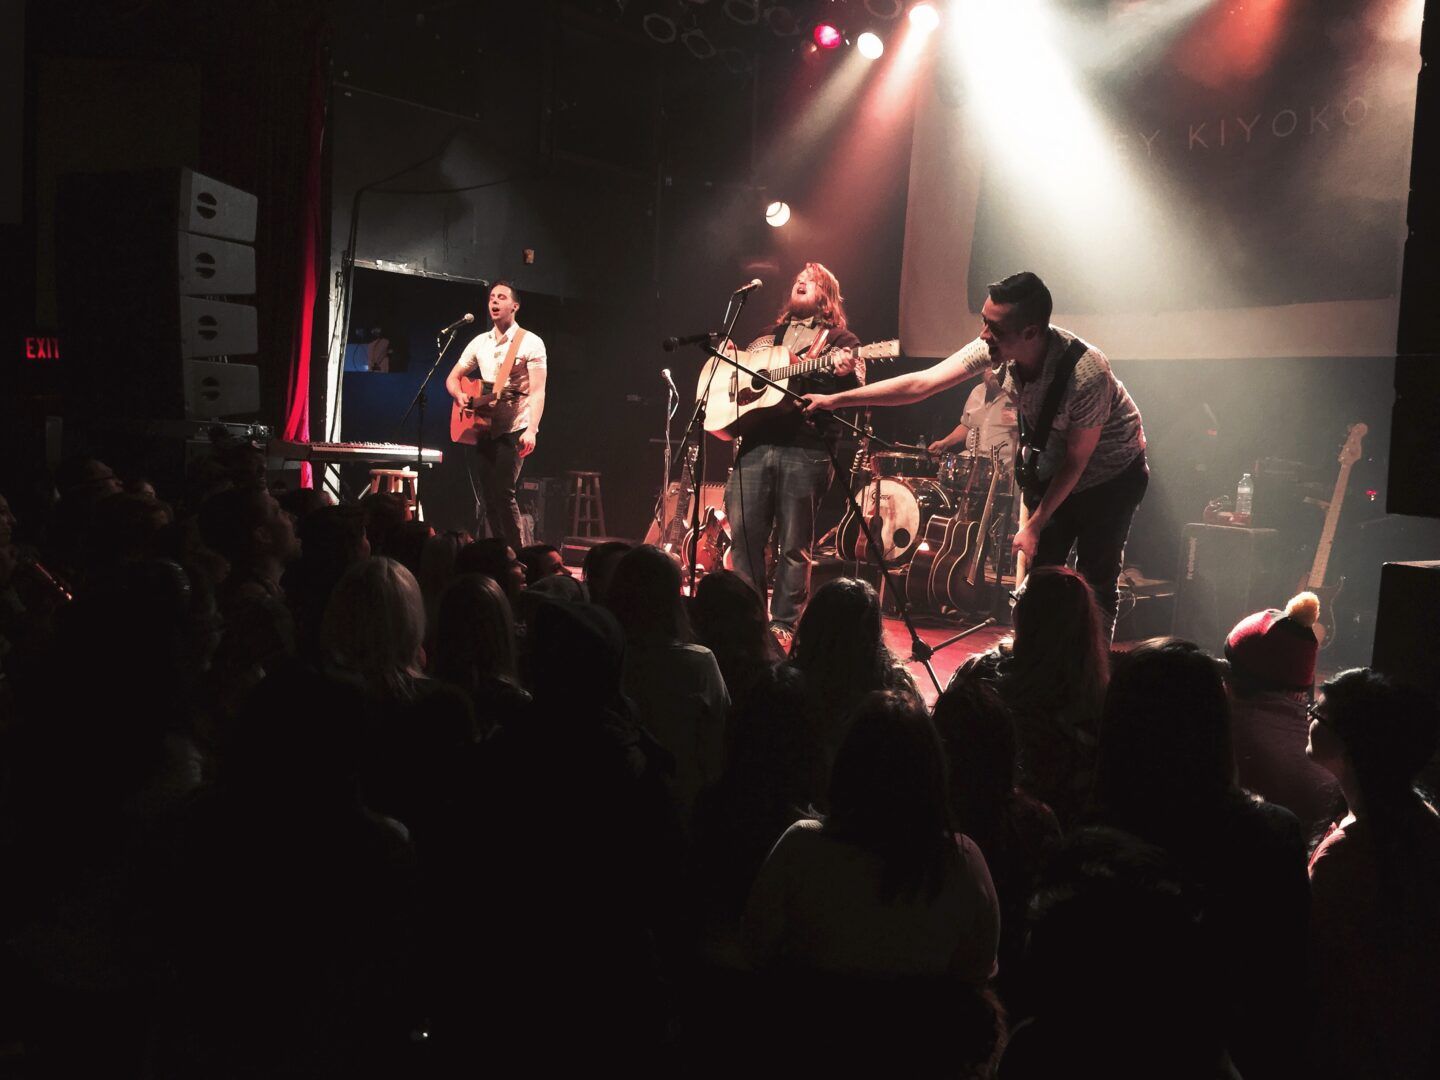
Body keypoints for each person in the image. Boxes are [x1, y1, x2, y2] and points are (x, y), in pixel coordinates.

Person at [804, 271, 1146, 638]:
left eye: (994, 328)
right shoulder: (996, 346)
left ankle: (1096, 676)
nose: (984, 335)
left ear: (1030, 332)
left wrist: (1033, 524)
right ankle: (1035, 660)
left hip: (1112, 475)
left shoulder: (1087, 372)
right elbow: (922, 383)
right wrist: (835, 400)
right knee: (1042, 579)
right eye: (984, 322)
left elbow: (1077, 461)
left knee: (1097, 577)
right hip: (1057, 470)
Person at [1305, 668, 1440, 1080]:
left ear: (1353, 742)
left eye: (1319, 714)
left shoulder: (1345, 858)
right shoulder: (1420, 817)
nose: (1309, 717)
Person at [723, 263, 860, 646]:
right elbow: (744, 381)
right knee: (745, 539)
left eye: (812, 280)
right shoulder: (769, 337)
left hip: (806, 447)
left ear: (826, 295)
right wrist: (733, 358)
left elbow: (853, 392)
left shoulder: (840, 339)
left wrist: (846, 373)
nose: (801, 280)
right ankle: (746, 620)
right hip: (754, 444)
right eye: (799, 277)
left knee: (794, 545)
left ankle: (783, 625)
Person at [445, 281, 548, 550]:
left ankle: (519, 555)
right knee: (488, 497)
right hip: (484, 427)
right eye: (492, 297)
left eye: (501, 297)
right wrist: (459, 395)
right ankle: (498, 552)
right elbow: (453, 378)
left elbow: (538, 391)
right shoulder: (480, 342)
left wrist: (532, 429)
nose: (494, 302)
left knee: (504, 493)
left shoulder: (530, 342)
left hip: (514, 426)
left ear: (514, 305)